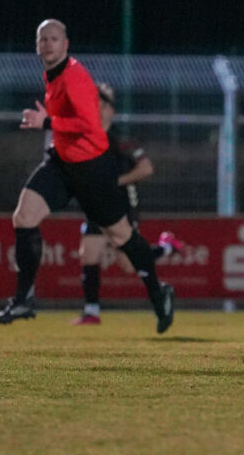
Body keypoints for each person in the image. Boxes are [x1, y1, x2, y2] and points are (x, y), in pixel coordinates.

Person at [0, 20, 175, 333]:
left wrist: (48, 121)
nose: (48, 44)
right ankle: (23, 299)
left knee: (121, 239)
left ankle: (159, 294)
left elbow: (89, 126)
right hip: (63, 164)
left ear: (66, 44)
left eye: (54, 39)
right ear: (37, 46)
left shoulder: (74, 75)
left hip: (93, 170)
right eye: (43, 39)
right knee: (24, 217)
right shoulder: (52, 74)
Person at [72, 83, 186, 325]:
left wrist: (116, 181)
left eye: (103, 105)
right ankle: (91, 311)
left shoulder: (122, 140)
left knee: (127, 263)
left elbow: (146, 168)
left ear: (112, 110)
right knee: (88, 252)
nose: (98, 110)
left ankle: (167, 247)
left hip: (123, 206)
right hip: (97, 207)